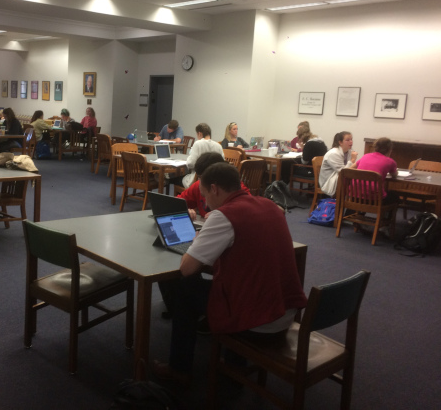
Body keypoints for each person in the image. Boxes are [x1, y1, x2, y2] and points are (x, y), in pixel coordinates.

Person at [153, 162, 307, 384]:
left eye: (204, 194)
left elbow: (187, 269)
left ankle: (180, 369)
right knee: (234, 285)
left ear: (214, 188)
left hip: (259, 322)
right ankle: (235, 363)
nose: (204, 201)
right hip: (285, 311)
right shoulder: (270, 206)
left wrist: (199, 241)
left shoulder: (223, 216)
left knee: (185, 289)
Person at [172, 123, 223, 189]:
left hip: (198, 181)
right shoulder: (218, 146)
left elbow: (190, 163)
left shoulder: (198, 144)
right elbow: (222, 163)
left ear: (199, 134)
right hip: (214, 181)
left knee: (174, 179)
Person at [352, 137, 399, 204]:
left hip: (355, 194)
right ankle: (383, 214)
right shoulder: (390, 162)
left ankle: (359, 212)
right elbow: (394, 175)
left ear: (375, 147)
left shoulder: (365, 156)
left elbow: (349, 169)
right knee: (395, 197)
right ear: (390, 150)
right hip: (375, 199)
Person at [319, 131, 358, 196]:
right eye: (347, 140)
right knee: (354, 180)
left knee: (358, 178)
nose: (351, 142)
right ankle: (348, 202)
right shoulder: (333, 153)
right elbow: (342, 172)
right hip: (329, 182)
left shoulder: (349, 151)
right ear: (340, 142)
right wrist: (353, 160)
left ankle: (353, 202)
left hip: (338, 178)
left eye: (351, 139)